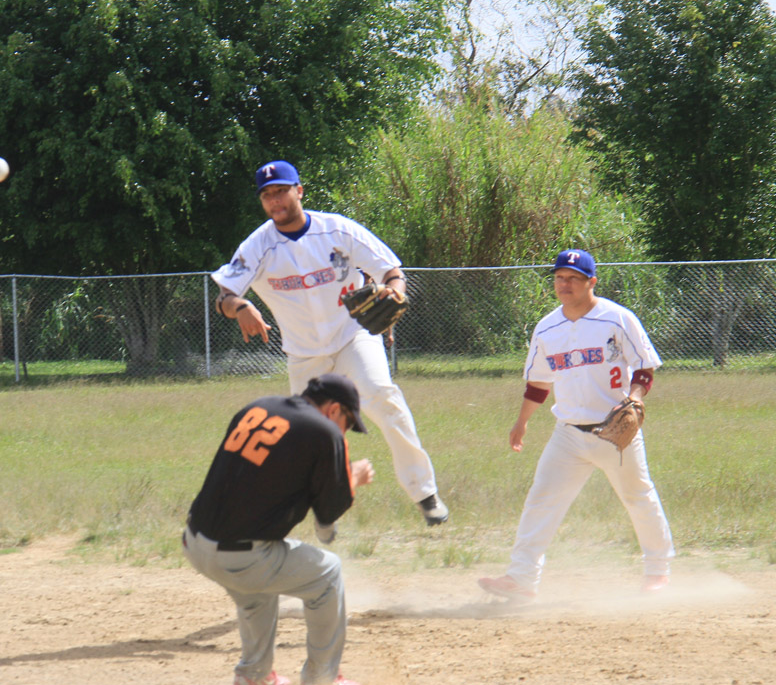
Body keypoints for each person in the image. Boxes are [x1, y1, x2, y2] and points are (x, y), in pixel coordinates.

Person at [212, 160, 448, 526]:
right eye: (267, 194)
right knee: (304, 437)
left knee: (383, 397)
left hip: (352, 338)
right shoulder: (258, 247)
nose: (275, 200)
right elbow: (224, 296)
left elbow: (392, 272)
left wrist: (395, 292)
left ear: (299, 191)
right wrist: (239, 305)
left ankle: (425, 493)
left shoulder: (337, 230)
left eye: (281, 191)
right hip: (304, 357)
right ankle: (323, 511)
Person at [478, 249, 675, 601]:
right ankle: (522, 579)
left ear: (591, 282)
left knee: (638, 497)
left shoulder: (616, 318)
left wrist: (636, 397)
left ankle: (658, 572)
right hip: (567, 434)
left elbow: (644, 367)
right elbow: (538, 383)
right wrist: (521, 422)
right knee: (542, 501)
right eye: (559, 277)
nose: (564, 284)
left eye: (573, 278)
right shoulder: (547, 327)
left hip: (616, 432)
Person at [183, 373, 376, 685]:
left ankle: (253, 674)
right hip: (241, 556)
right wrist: (352, 477)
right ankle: (321, 678)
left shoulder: (259, 407)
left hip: (194, 542)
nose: (345, 429)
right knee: (328, 573)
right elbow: (327, 512)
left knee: (256, 591)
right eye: (348, 421)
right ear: (333, 410)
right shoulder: (326, 431)